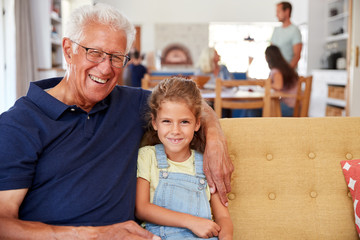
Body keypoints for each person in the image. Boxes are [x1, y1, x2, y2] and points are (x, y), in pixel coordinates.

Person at [0, 3, 233, 239]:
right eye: (95, 52)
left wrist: (214, 137)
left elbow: (188, 104)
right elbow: (3, 224)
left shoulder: (131, 103)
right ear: (68, 50)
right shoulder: (19, 123)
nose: (105, 68)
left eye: (116, 57)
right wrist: (94, 235)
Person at [136, 77, 233, 239]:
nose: (175, 130)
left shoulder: (206, 163)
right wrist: (191, 222)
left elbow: (223, 218)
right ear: (154, 123)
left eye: (184, 122)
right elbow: (142, 208)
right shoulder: (148, 156)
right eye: (167, 121)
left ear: (197, 124)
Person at [265, 45, 298, 117]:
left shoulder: (276, 71)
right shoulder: (285, 68)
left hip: (288, 108)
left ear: (267, 57)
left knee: (255, 108)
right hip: (295, 107)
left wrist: (265, 84)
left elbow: (278, 86)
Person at [271, 1, 302, 69]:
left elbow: (297, 56)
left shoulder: (294, 30)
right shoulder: (276, 30)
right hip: (276, 73)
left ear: (287, 11)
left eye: (279, 12)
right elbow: (271, 52)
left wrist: (287, 72)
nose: (276, 15)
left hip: (289, 75)